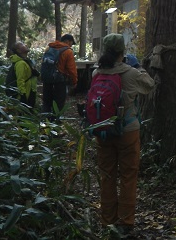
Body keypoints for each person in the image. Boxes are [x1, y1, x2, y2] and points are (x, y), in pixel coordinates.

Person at [93, 33, 155, 234]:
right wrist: (139, 67)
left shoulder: (96, 73)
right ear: (122, 51)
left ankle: (107, 220)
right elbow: (150, 85)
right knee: (128, 176)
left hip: (103, 130)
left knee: (107, 175)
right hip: (128, 130)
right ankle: (126, 221)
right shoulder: (131, 73)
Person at [42, 34, 78, 117]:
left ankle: (44, 122)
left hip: (47, 79)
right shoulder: (68, 51)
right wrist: (74, 81)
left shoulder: (49, 48)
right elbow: (71, 69)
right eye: (71, 43)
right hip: (59, 80)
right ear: (68, 41)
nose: (71, 45)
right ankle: (56, 123)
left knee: (47, 102)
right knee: (59, 103)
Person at [10, 41, 39, 108]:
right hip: (26, 93)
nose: (25, 45)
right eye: (22, 45)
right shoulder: (21, 63)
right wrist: (23, 96)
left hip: (31, 90)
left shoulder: (26, 61)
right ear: (18, 50)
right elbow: (20, 80)